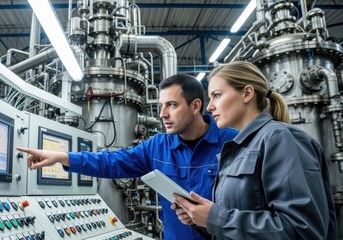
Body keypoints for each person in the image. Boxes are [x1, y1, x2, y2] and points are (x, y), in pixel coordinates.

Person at [17, 73, 238, 240]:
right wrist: (62, 157)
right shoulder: (157, 146)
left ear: (196, 106)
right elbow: (111, 162)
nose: (162, 114)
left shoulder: (234, 143)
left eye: (172, 105)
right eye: (161, 106)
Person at [171, 61, 337, 239]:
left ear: (247, 93)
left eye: (217, 95)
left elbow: (301, 230)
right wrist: (201, 219)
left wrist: (215, 217)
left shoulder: (281, 139)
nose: (210, 106)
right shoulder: (239, 150)